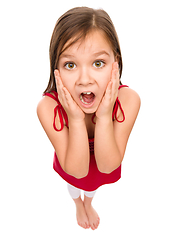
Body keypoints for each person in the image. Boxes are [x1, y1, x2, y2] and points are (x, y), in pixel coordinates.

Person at [37, 7, 141, 230]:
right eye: (70, 65)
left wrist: (104, 116)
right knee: (74, 186)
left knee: (92, 187)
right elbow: (77, 170)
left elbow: (107, 166)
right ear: (56, 69)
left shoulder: (128, 100)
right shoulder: (48, 107)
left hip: (97, 172)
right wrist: (75, 119)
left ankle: (89, 201)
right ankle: (77, 202)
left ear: (116, 63)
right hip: (72, 165)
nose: (85, 79)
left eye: (98, 63)